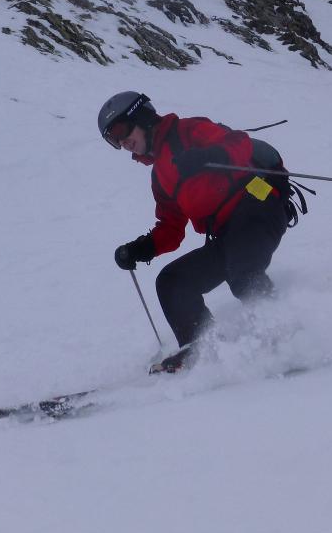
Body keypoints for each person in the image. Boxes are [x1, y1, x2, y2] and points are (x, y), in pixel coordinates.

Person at [98, 91, 292, 373]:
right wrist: (140, 249)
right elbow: (171, 228)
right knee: (173, 281)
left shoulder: (187, 131)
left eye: (120, 130)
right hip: (226, 235)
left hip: (257, 207)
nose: (122, 141)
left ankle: (286, 335)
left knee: (244, 272)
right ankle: (203, 352)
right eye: (113, 139)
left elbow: (239, 143)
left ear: (141, 117)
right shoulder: (160, 177)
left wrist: (209, 154)